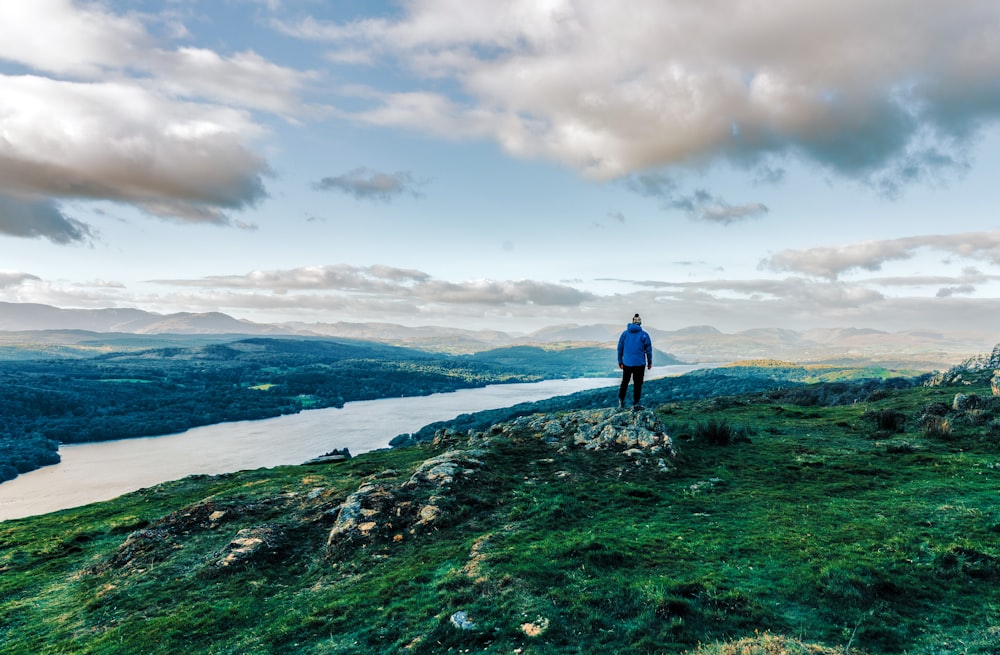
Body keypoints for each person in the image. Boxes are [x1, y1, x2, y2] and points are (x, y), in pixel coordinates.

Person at [617, 313, 652, 410]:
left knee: (625, 382)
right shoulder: (644, 335)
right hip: (639, 364)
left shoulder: (625, 334)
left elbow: (620, 348)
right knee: (638, 384)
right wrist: (649, 362)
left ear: (632, 322)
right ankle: (636, 404)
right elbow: (648, 350)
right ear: (640, 323)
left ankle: (621, 401)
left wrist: (620, 360)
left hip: (627, 363)